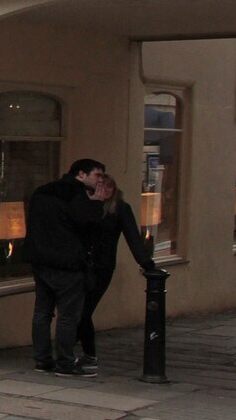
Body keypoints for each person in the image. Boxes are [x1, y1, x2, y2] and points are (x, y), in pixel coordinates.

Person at [24, 156, 106, 375]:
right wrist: (97, 204)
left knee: (42, 312)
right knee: (68, 315)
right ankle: (66, 362)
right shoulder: (76, 195)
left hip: (41, 260)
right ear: (81, 174)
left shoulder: (43, 192)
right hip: (67, 263)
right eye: (97, 175)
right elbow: (89, 225)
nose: (100, 181)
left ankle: (42, 359)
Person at [78, 172, 162, 374]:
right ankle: (74, 352)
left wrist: (146, 263)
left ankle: (86, 354)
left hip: (102, 267)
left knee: (84, 310)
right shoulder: (86, 204)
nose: (104, 191)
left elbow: (132, 236)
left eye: (108, 187)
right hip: (80, 265)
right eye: (100, 186)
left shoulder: (121, 209)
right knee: (77, 310)